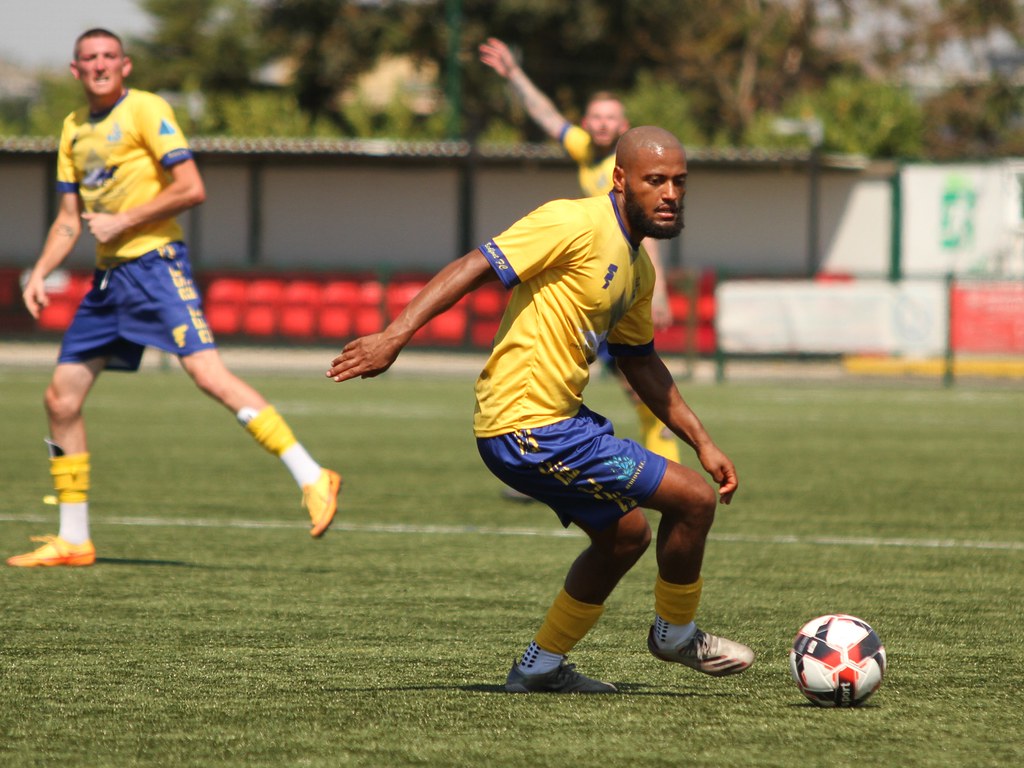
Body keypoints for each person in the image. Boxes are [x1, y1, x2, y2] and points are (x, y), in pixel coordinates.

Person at [327, 126, 754, 693]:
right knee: (694, 500)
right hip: (528, 425)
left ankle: (539, 667)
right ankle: (675, 633)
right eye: (656, 180)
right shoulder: (573, 222)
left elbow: (642, 363)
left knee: (625, 537)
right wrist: (394, 335)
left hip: (560, 422)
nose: (671, 193)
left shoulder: (639, 270)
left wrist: (702, 441)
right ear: (621, 179)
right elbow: (476, 264)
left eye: (679, 181)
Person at [8, 28, 341, 568]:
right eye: (88, 58)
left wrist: (123, 220)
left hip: (157, 268)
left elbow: (191, 187)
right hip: (109, 281)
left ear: (126, 65)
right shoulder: (71, 130)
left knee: (208, 375)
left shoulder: (145, 110)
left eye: (109, 57)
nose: (99, 65)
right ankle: (74, 537)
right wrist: (40, 272)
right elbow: (69, 220)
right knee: (60, 400)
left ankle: (312, 474)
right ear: (75, 70)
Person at [479, 37, 680, 466]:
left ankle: (663, 461)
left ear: (624, 124)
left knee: (636, 382)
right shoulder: (587, 151)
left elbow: (643, 234)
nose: (603, 124)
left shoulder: (627, 168)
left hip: (618, 284)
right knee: (594, 376)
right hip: (593, 279)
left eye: (611, 118)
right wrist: (514, 75)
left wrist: (657, 290)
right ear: (587, 121)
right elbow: (546, 114)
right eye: (596, 117)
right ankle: (553, 454)